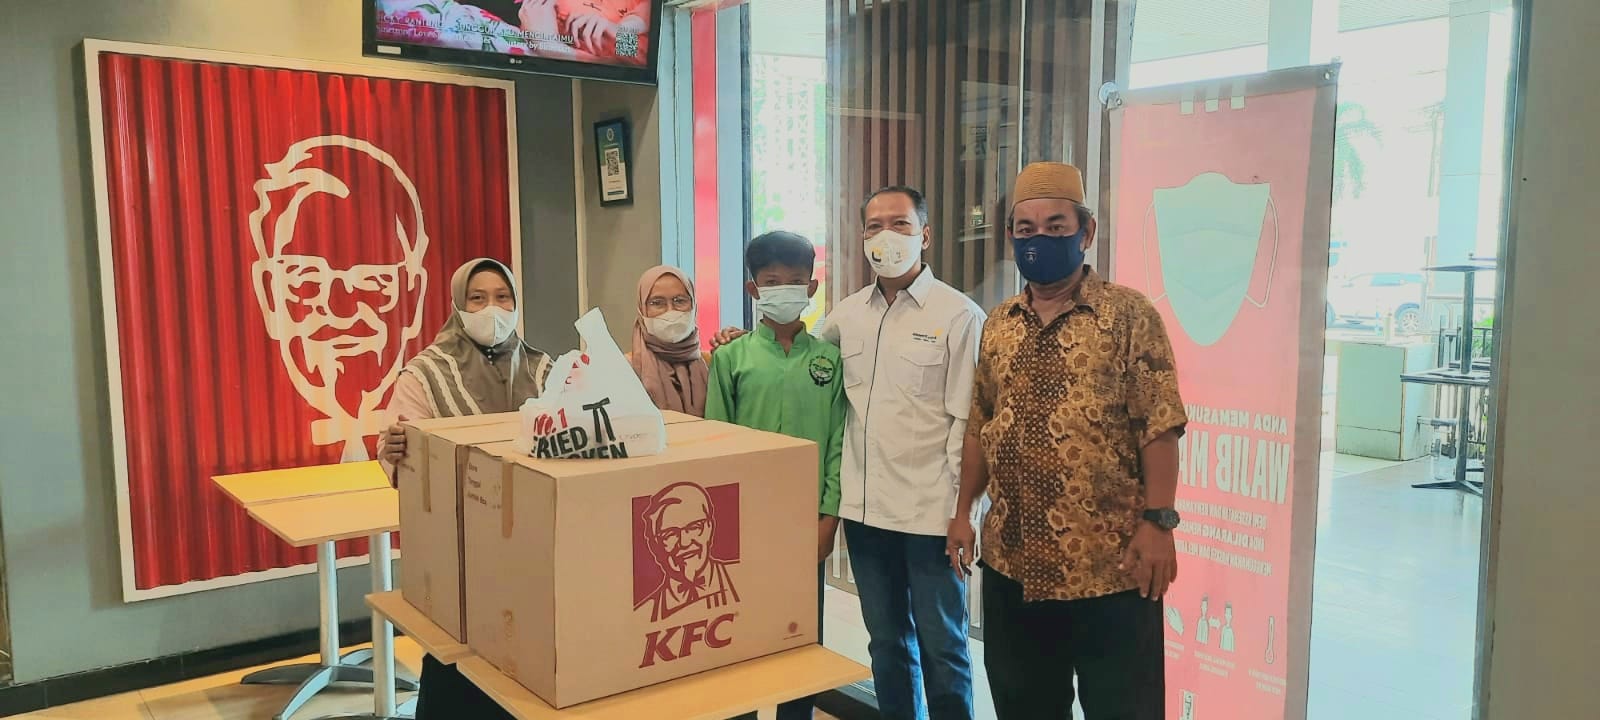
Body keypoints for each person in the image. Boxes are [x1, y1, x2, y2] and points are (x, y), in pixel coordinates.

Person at [946, 162, 1188, 720]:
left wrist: (1159, 523)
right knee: (1024, 708)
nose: (1039, 239)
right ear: (1011, 237)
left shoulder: (1128, 315)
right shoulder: (1000, 322)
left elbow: (1159, 425)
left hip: (1111, 567)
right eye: (1025, 229)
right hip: (1013, 566)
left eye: (1056, 227)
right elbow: (982, 423)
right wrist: (962, 512)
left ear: (1087, 231)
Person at [820, 187, 981, 720]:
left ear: (925, 235)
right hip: (865, 514)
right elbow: (807, 371)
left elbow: (968, 423)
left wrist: (964, 514)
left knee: (943, 648)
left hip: (931, 517)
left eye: (900, 224)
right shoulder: (846, 316)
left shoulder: (958, 315)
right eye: (874, 226)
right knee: (886, 645)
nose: (885, 236)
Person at [379, 258, 554, 720]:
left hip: (532, 550)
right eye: (477, 299)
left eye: (503, 297)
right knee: (458, 665)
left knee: (529, 663)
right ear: (458, 305)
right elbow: (401, 455)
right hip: (460, 556)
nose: (491, 308)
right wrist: (394, 448)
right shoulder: (424, 375)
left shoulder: (544, 369)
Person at [705, 231, 844, 720]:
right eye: (771, 281)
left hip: (807, 523)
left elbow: (837, 445)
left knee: (800, 635)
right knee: (737, 632)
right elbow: (717, 448)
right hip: (743, 525)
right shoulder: (730, 358)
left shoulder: (829, 360)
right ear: (753, 289)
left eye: (795, 280)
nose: (784, 289)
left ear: (812, 288)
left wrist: (828, 518)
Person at [629, 265, 710, 417]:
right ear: (642, 309)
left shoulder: (710, 363)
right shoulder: (627, 368)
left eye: (679, 301)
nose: (670, 310)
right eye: (657, 303)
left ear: (694, 305)